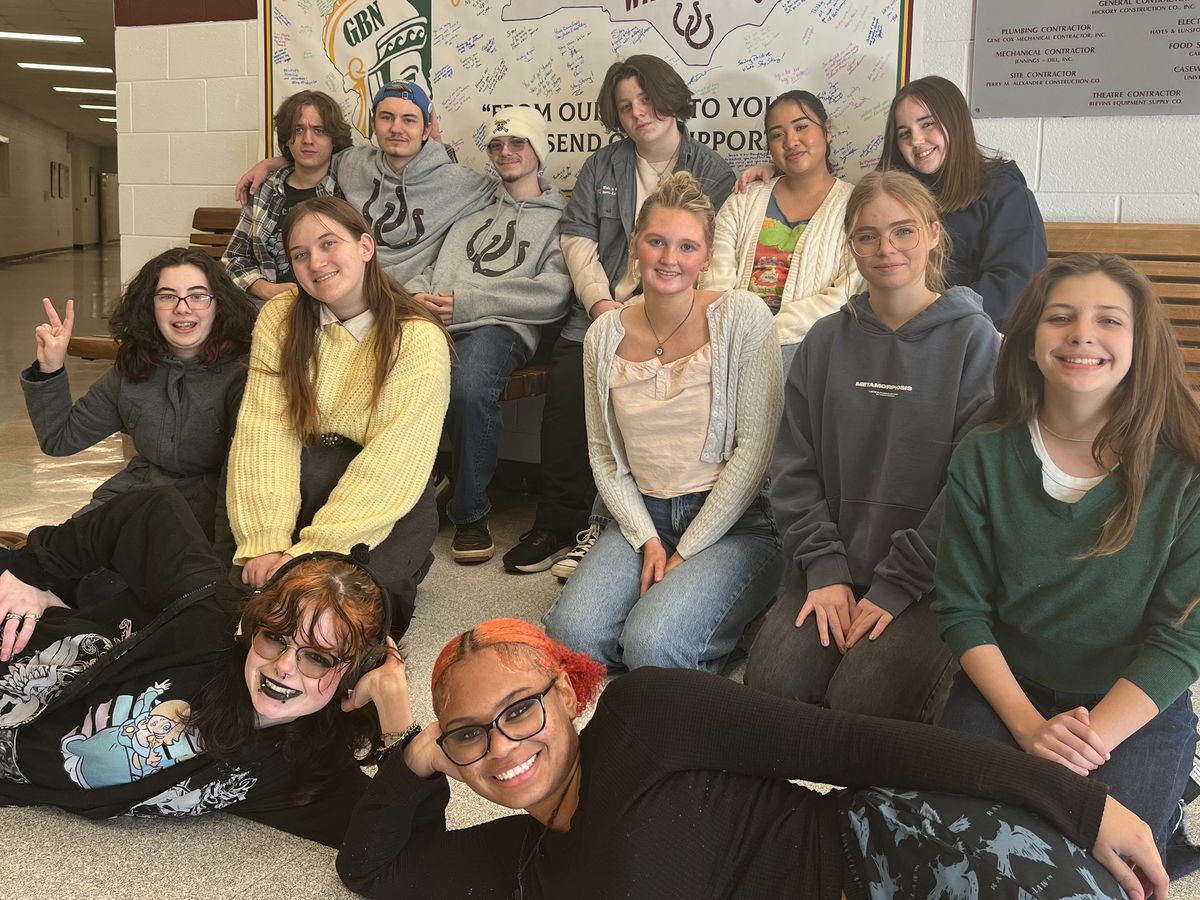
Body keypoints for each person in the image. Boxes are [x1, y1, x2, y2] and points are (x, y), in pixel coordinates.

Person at [335, 617, 1167, 900]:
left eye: (520, 709)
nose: (503, 747)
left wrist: (1079, 804)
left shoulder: (646, 715)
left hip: (901, 859)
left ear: (569, 691)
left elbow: (855, 744)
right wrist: (413, 751)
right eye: (470, 734)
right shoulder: (522, 864)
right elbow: (369, 868)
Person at [930, 252, 1200, 875]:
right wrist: (1030, 729)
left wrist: (1083, 747)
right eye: (1060, 317)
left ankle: (1170, 792)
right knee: (956, 857)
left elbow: (1183, 640)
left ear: (1141, 344)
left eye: (1109, 319)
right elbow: (963, 610)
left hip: (1129, 703)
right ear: (1027, 342)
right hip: (1011, 690)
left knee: (1098, 871)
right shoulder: (982, 455)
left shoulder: (1185, 469)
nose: (1082, 334)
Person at [0, 488, 417, 847]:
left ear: (353, 674)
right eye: (275, 637)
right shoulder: (206, 622)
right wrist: (29, 572)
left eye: (318, 658)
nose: (284, 666)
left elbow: (405, 842)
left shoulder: (295, 766)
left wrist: (397, 715)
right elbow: (152, 509)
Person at [744, 171, 999, 723]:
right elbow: (793, 467)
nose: (886, 248)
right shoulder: (824, 340)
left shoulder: (976, 341)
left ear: (933, 233)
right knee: (771, 690)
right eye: (868, 235)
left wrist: (898, 585)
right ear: (851, 244)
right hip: (834, 559)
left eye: (903, 231)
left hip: (931, 578)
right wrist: (824, 568)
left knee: (866, 705)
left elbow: (974, 490)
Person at [503, 55, 736, 579]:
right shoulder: (603, 165)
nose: (638, 114)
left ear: (670, 98)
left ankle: (616, 527)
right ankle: (555, 523)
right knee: (567, 397)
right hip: (600, 312)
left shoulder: (713, 171)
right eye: (626, 107)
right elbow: (576, 237)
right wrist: (600, 304)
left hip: (673, 316)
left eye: (647, 100)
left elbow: (709, 253)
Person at [540, 172, 783, 672]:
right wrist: (647, 539)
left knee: (652, 647)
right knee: (573, 638)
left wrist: (686, 551)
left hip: (734, 523)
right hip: (643, 516)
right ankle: (674, 614)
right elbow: (604, 454)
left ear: (707, 256)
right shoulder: (602, 335)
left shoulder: (743, 316)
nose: (670, 258)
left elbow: (755, 453)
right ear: (635, 244)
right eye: (657, 242)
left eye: (687, 246)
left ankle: (735, 615)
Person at [226, 196, 450, 624]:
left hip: (387, 494)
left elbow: (393, 462)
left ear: (365, 247)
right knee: (248, 604)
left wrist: (312, 553)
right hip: (300, 476)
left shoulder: (417, 336)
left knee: (345, 613)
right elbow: (265, 431)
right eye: (300, 254)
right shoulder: (280, 317)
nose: (316, 263)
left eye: (328, 244)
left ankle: (408, 563)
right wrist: (266, 539)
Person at [740, 76, 1045, 330]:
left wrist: (932, 324)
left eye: (927, 125)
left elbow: (1012, 291)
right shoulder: (898, 191)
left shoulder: (1005, 194)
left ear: (956, 124)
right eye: (904, 133)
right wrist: (780, 173)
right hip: (894, 330)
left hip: (967, 335)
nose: (917, 141)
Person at [407, 107, 572, 563]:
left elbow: (554, 294)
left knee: (468, 387)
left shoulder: (561, 218)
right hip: (437, 320)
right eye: (497, 145)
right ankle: (412, 493)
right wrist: (416, 295)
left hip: (501, 327)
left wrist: (468, 302)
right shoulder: (471, 209)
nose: (505, 152)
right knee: (387, 374)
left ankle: (470, 515)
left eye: (518, 143)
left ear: (539, 150)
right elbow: (429, 264)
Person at [19, 247, 255, 544]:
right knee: (51, 555)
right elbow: (60, 439)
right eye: (167, 297)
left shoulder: (244, 374)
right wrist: (50, 369)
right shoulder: (135, 367)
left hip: (207, 511)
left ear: (218, 304)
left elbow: (244, 486)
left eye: (198, 296)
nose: (183, 308)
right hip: (136, 496)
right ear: (149, 306)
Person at [235, 81, 494, 287]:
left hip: (410, 295)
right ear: (373, 123)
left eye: (409, 120)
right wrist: (269, 164)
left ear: (426, 130)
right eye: (386, 117)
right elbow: (313, 155)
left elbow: (505, 189)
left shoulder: (457, 181)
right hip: (352, 292)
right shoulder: (353, 163)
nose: (396, 128)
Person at [704, 90, 861, 371]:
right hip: (730, 343)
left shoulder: (857, 207)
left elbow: (846, 293)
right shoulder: (744, 199)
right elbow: (715, 277)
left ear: (827, 131)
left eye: (801, 127)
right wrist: (735, 333)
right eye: (777, 135)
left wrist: (767, 334)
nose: (790, 142)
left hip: (809, 348)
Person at [223, 90, 352, 305]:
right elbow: (235, 257)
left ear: (334, 139)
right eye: (298, 130)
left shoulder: (349, 188)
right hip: (268, 305)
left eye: (319, 131)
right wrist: (264, 288)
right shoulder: (265, 190)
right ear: (287, 138)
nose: (307, 140)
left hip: (330, 305)